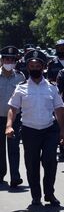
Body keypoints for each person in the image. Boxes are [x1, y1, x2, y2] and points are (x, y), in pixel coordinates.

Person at [6, 49, 64, 206]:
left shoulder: (52, 87)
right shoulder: (21, 87)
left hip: (49, 130)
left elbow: (59, 109)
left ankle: (49, 193)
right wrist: (9, 126)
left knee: (50, 162)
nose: (34, 68)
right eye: (31, 65)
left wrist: (62, 130)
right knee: (32, 165)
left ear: (43, 67)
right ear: (27, 67)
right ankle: (36, 196)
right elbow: (13, 108)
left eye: (37, 65)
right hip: (29, 131)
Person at [0, 46, 25, 187]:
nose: (9, 62)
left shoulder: (21, 77)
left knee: (14, 147)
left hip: (15, 119)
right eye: (7, 59)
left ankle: (15, 176)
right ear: (2, 60)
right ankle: (0, 173)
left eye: (12, 59)